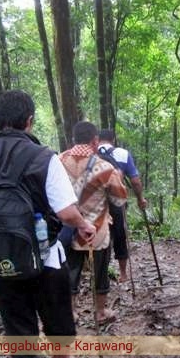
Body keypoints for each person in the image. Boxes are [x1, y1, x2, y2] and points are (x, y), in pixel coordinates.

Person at [0, 90, 95, 358]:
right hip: (46, 259)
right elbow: (66, 212)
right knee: (59, 329)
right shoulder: (45, 158)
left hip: (1, 261)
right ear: (29, 121)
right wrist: (84, 226)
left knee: (22, 338)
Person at [60, 122, 127, 324]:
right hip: (96, 230)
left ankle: (70, 312)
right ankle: (100, 312)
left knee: (70, 269)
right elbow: (119, 200)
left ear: (73, 139)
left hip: (68, 227)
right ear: (95, 140)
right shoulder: (105, 167)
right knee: (100, 271)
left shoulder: (58, 161)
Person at [97, 129, 147, 282]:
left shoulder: (91, 153)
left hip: (96, 202)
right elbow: (135, 181)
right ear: (113, 139)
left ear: (97, 139)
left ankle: (100, 275)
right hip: (117, 201)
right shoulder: (123, 153)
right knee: (120, 234)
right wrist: (140, 199)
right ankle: (123, 274)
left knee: (100, 236)